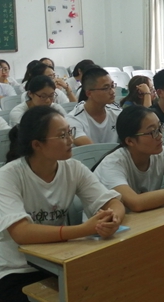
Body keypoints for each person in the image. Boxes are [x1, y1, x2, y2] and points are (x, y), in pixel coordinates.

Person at [0, 106, 125, 301]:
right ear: (37, 144)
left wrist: (112, 219)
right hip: (18, 270)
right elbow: (21, 233)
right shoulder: (8, 176)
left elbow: (113, 202)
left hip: (59, 260)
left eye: (70, 132)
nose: (70, 140)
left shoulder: (72, 168)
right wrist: (83, 229)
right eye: (62, 135)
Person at [93, 105, 164, 212]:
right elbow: (136, 203)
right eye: (152, 132)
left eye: (160, 128)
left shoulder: (160, 153)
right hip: (107, 223)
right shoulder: (112, 164)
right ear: (130, 141)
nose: (160, 135)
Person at [67, 67, 122, 146]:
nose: (112, 92)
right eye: (106, 88)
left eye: (112, 86)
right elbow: (93, 150)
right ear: (89, 93)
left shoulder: (118, 113)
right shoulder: (74, 119)